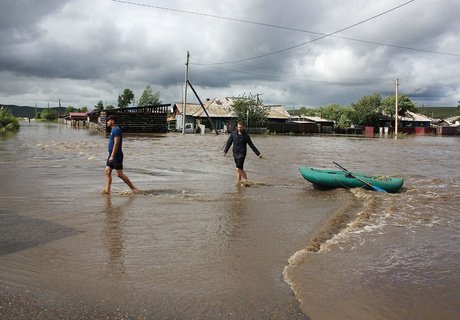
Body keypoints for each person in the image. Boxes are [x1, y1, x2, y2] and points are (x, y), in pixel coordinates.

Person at [104, 115, 139, 194]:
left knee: (119, 174)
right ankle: (107, 190)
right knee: (107, 171)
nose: (107, 122)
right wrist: (111, 155)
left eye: (108, 120)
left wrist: (112, 155)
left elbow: (116, 143)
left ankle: (133, 188)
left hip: (116, 155)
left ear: (112, 121)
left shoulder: (117, 130)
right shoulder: (113, 130)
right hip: (111, 155)